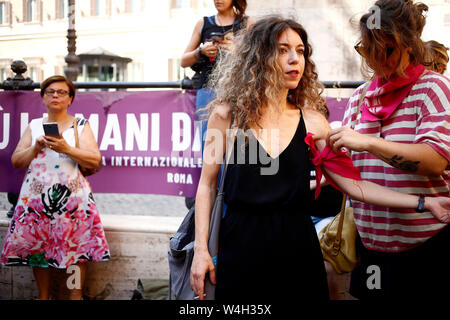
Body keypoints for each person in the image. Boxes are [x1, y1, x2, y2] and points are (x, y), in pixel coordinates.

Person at [189, 15, 450, 301]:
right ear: (259, 57)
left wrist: (424, 202)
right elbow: (207, 185)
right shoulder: (225, 116)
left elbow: (355, 186)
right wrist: (201, 251)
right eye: (282, 49)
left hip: (298, 254)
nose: (294, 59)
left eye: (300, 51)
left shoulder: (314, 123)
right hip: (240, 251)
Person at [328, 0, 450, 299]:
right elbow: (352, 173)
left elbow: (435, 161)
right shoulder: (359, 98)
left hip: (427, 243)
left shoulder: (433, 88)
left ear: (410, 45)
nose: (375, 60)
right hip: (372, 247)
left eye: (386, 49)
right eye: (367, 50)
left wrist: (367, 142)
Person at [0, 75, 110, 300]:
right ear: (43, 98)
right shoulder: (34, 125)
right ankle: (44, 296)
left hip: (73, 200)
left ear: (70, 99)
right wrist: (35, 147)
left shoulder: (80, 124)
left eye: (61, 92)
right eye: (50, 92)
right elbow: (17, 161)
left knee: (77, 250)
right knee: (39, 249)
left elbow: (94, 159)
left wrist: (66, 147)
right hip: (36, 199)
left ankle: (75, 294)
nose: (55, 96)